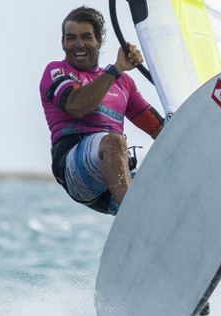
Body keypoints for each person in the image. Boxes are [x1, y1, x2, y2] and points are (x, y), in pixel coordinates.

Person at [39, 6, 164, 215]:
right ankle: (133, 215)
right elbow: (77, 106)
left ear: (99, 41)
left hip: (111, 182)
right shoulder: (56, 71)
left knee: (165, 184)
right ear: (62, 42)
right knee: (114, 141)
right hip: (73, 167)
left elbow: (158, 129)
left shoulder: (123, 82)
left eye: (86, 37)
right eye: (71, 38)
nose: (78, 44)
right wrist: (116, 69)